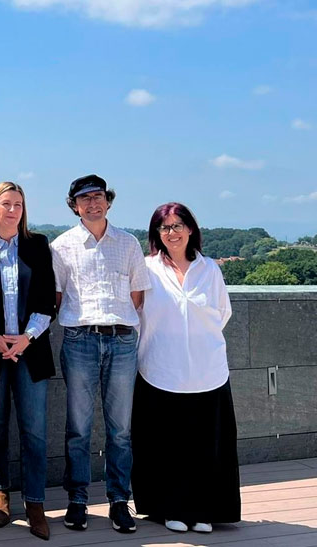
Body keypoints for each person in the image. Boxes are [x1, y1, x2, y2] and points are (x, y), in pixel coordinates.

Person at [50, 174, 150, 534]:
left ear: (108, 201)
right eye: (84, 198)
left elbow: (138, 296)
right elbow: (57, 297)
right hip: (79, 340)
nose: (92, 203)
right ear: (74, 205)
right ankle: (77, 500)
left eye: (98, 196)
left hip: (122, 340)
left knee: (120, 429)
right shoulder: (61, 246)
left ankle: (119, 501)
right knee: (78, 427)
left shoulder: (128, 243)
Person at [133, 202, 240, 534]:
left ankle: (205, 510)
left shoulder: (210, 270)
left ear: (191, 229)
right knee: (166, 448)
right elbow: (137, 314)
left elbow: (222, 313)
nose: (172, 233)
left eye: (178, 225)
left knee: (207, 447)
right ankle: (171, 509)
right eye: (164, 228)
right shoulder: (147, 269)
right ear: (156, 234)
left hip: (207, 371)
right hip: (160, 370)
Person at [0, 182, 56, 540]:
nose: (12, 210)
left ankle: (35, 502)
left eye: (19, 204)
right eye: (6, 204)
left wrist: (26, 338)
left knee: (34, 430)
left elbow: (47, 299)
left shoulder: (38, 245)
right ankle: (0, 494)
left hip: (30, 350)